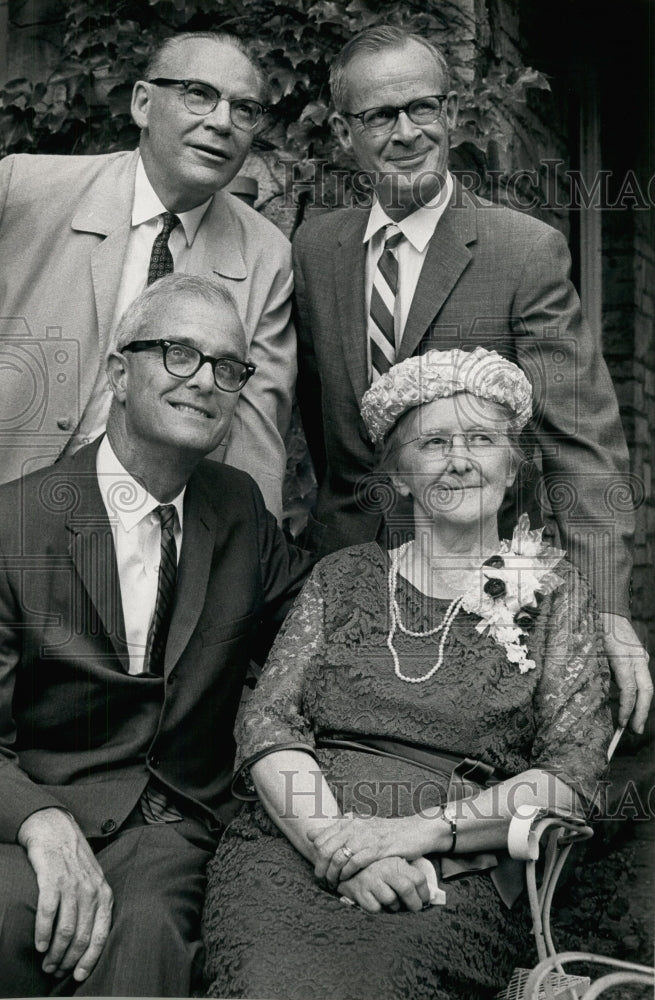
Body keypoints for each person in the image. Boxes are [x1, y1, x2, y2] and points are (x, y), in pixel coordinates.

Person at [202, 347, 612, 1000]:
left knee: (380, 981)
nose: (458, 459)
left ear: (510, 469)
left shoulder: (553, 594)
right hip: (294, 847)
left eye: (481, 440)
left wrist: (407, 836)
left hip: (454, 870)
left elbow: (571, 777)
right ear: (398, 474)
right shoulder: (342, 578)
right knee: (265, 979)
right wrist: (335, 851)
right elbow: (267, 720)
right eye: (433, 442)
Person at [293, 25, 651, 732]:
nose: (405, 132)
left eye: (422, 107)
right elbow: (321, 430)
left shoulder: (521, 253)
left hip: (482, 590)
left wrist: (606, 608)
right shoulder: (314, 249)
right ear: (343, 131)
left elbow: (581, 445)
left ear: (451, 114)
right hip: (351, 584)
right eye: (378, 116)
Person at [0, 274, 311, 997]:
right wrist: (41, 821)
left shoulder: (239, 512)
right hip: (34, 809)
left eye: (227, 367)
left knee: (147, 939)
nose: (204, 381)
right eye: (177, 353)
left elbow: (330, 620)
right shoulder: (16, 525)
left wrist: (494, 588)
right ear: (118, 372)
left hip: (173, 824)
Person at [0, 30, 294, 521]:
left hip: (153, 527)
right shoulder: (24, 190)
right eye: (198, 94)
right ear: (142, 103)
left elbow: (253, 438)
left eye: (244, 109)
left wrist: (245, 569)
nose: (221, 122)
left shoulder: (266, 255)